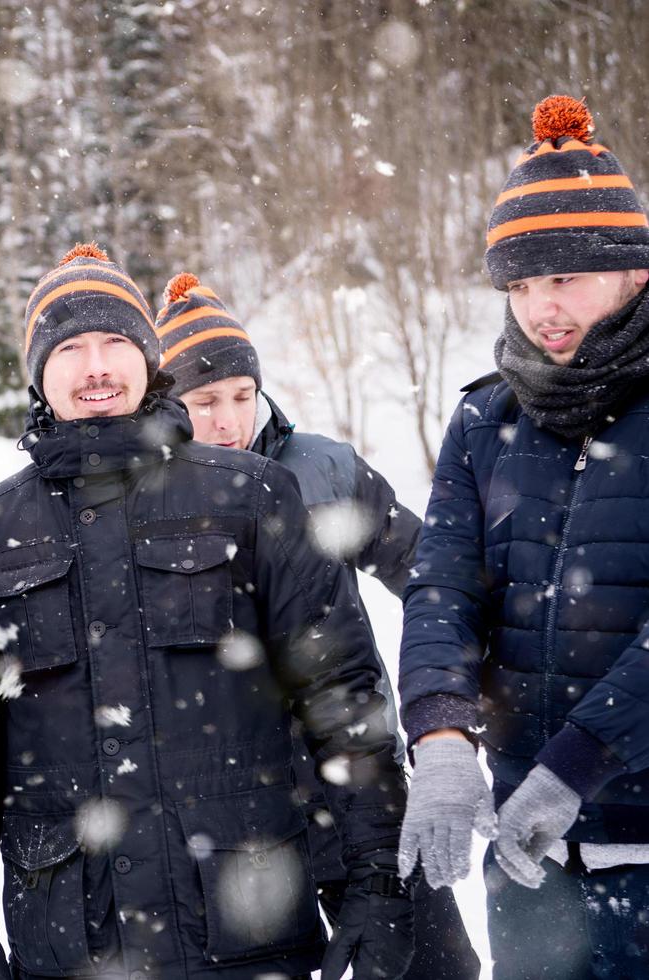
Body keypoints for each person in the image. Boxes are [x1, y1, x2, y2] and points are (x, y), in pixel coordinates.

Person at [0, 243, 411, 980]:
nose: (95, 367)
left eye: (115, 342)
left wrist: (376, 879)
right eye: (71, 347)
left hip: (243, 927)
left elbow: (340, 694)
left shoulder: (250, 495)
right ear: (37, 373)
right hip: (68, 939)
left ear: (149, 360)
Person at [156, 272, 479, 980]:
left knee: (437, 965)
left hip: (362, 777)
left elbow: (430, 573)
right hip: (247, 809)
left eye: (242, 396)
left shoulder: (322, 468)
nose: (227, 420)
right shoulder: (157, 500)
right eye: (204, 401)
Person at [398, 94, 649, 979]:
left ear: (635, 275)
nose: (543, 307)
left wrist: (581, 761)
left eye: (568, 278)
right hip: (526, 855)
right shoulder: (483, 419)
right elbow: (442, 590)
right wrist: (439, 738)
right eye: (524, 282)